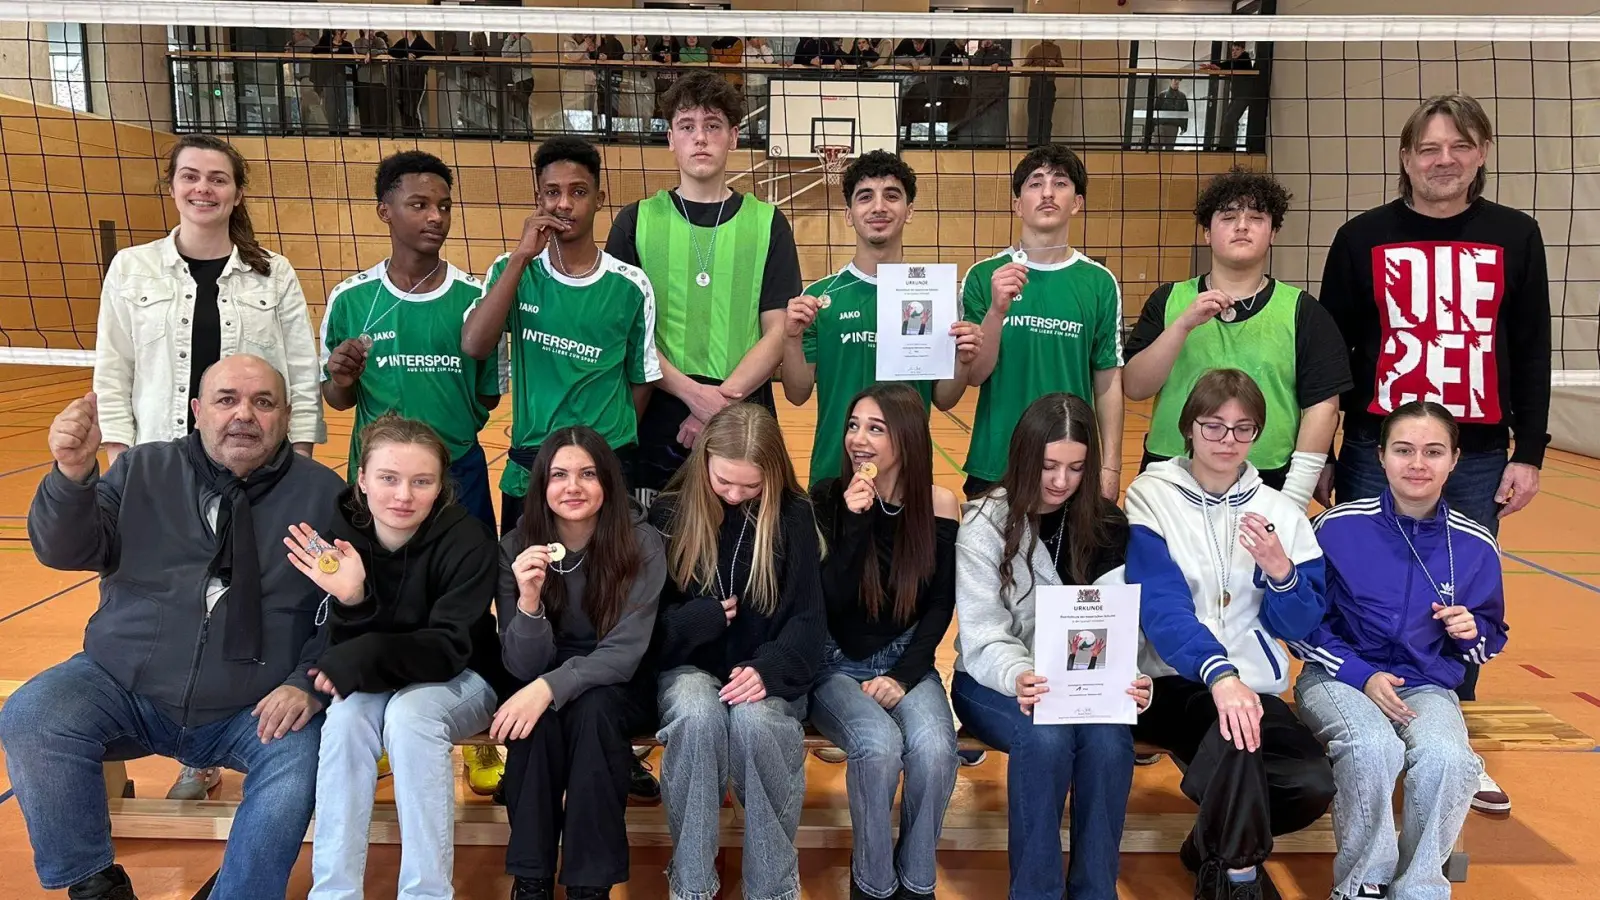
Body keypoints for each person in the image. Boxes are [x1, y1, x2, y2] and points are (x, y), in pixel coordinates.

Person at [0, 355, 343, 900]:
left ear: (286, 416)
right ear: (197, 411)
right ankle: (94, 884)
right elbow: (65, 550)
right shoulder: (142, 469)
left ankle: (238, 893)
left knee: (298, 761)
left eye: (263, 402)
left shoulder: (325, 496)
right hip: (125, 685)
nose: (244, 415)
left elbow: (349, 609)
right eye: (227, 400)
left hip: (253, 706)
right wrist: (71, 476)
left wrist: (306, 680)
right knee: (34, 715)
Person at [1320, 93, 1548, 814]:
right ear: (1405, 157)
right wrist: (1325, 450)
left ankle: (1451, 743)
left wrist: (1529, 450)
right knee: (1361, 589)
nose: (1444, 160)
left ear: (1482, 154)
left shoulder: (1516, 235)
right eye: (1429, 148)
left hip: (1476, 452)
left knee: (1458, 599)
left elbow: (1532, 348)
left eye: (1460, 146)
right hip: (1373, 445)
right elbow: (1331, 357)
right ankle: (1361, 724)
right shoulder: (1361, 238)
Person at [1124, 368, 1336, 900]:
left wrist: (1282, 573)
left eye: (1243, 429)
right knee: (1237, 742)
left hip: (1253, 688)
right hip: (1172, 682)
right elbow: (1161, 606)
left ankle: (1209, 847)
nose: (1228, 440)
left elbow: (1301, 624)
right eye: (1213, 426)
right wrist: (1218, 674)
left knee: (1310, 784)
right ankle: (1238, 879)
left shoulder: (1280, 512)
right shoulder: (1151, 496)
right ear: (1189, 427)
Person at [1290, 401, 1506, 900]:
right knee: (1373, 747)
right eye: (1404, 450)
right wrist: (1361, 674)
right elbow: (1301, 627)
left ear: (1454, 460)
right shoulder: (1336, 527)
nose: (1418, 464)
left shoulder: (1475, 543)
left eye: (1434, 452)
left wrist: (1471, 632)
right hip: (1337, 677)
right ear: (1381, 456)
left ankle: (1419, 888)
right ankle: (1362, 885)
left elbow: (1488, 642)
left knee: (1449, 757)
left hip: (1424, 685)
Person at [295, 414, 508, 899]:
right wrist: (353, 600)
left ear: (440, 486)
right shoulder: (338, 535)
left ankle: (426, 892)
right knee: (345, 719)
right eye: (388, 478)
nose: (403, 496)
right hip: (380, 673)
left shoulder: (469, 540)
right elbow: (339, 639)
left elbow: (448, 648)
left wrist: (364, 649)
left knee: (411, 718)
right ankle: (333, 892)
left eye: (421, 482)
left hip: (463, 674)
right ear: (362, 479)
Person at [951, 392, 1154, 900]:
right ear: (1025, 457)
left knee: (1110, 743)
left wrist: (1131, 678)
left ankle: (1094, 891)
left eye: (1076, 468)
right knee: (1044, 737)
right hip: (993, 681)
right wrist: (1019, 675)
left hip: (1079, 685)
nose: (1062, 481)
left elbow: (1116, 625)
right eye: (1048, 466)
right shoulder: (983, 525)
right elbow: (983, 633)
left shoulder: (1106, 525)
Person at [649, 402, 825, 900]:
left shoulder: (793, 515)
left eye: (751, 487)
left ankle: (771, 889)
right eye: (724, 481)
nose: (733, 495)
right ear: (703, 460)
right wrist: (694, 620)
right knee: (697, 717)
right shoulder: (669, 513)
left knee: (757, 723)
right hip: (689, 667)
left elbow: (808, 621)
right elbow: (646, 630)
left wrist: (770, 668)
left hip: (768, 671)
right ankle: (692, 886)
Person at [605, 71, 802, 506]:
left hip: (744, 415)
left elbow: (777, 330)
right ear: (670, 139)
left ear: (733, 137)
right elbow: (627, 333)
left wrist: (720, 404)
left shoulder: (768, 223)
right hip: (658, 413)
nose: (700, 138)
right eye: (687, 125)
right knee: (657, 536)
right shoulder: (635, 221)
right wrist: (695, 397)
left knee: (745, 537)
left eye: (713, 126)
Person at [493, 427, 667, 900]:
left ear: (607, 481)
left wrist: (548, 688)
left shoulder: (642, 543)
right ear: (541, 485)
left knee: (593, 713)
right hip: (543, 673)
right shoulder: (515, 548)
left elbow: (625, 652)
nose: (573, 487)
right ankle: (531, 880)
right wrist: (529, 602)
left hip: (619, 680)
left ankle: (589, 886)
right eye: (559, 475)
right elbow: (522, 665)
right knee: (534, 724)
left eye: (588, 474)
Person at [808, 383, 962, 900]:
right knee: (877, 747)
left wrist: (902, 675)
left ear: (907, 437)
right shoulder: (828, 497)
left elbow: (940, 604)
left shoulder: (939, 504)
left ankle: (916, 883)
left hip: (906, 660)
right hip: (836, 661)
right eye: (854, 426)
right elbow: (827, 602)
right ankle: (872, 885)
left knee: (937, 750)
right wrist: (855, 524)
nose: (859, 439)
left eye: (875, 428)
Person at [463, 135, 661, 535]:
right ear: (539, 199)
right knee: (528, 570)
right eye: (552, 192)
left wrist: (605, 447)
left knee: (610, 571)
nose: (564, 204)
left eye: (578, 192)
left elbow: (641, 379)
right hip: (533, 464)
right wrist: (522, 256)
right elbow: (474, 344)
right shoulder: (513, 270)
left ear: (599, 199)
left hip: (604, 464)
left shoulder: (630, 284)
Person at [1123, 168, 1351, 507]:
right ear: (1206, 233)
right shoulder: (1169, 301)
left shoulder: (1303, 312)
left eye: (1256, 218)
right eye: (1228, 217)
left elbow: (1323, 408)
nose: (1242, 226)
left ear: (1273, 232)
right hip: (1170, 474)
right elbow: (1135, 387)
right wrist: (1182, 326)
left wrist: (1294, 497)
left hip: (1266, 479)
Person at [321, 151, 503, 532]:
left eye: (444, 207)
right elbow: (338, 400)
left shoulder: (478, 300)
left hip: (458, 472)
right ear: (385, 211)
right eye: (419, 205)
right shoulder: (349, 299)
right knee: (372, 569)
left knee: (469, 567)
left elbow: (488, 396)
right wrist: (342, 379)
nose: (436, 217)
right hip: (381, 478)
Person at [779, 150, 982, 485]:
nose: (878, 207)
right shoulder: (821, 297)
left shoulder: (933, 296)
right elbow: (797, 393)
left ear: (909, 210)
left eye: (891, 196)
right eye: (865, 197)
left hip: (907, 479)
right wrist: (791, 338)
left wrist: (963, 359)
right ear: (849, 214)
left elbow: (944, 399)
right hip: (834, 473)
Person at [955, 145, 1124, 502]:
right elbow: (974, 375)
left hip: (1070, 469)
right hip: (997, 462)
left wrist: (1111, 467)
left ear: (1077, 202)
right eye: (1035, 184)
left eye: (1060, 183)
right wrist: (996, 311)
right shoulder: (984, 276)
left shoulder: (1100, 282)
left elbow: (1107, 379)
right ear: (1018, 204)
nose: (1047, 193)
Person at [1204, 42, 1265, 152]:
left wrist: (1218, 67)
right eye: (1232, 50)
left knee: (1229, 120)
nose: (1234, 52)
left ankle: (1226, 146)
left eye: (1237, 49)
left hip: (1243, 96)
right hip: (1237, 96)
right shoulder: (1236, 62)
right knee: (1229, 120)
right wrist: (1216, 66)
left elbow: (1232, 65)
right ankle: (1228, 145)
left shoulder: (1245, 60)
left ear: (1243, 50)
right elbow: (1229, 64)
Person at [391, 30, 433, 134]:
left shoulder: (421, 43)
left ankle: (418, 131)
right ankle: (407, 131)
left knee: (415, 105)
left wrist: (417, 56)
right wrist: (406, 54)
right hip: (405, 79)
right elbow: (391, 52)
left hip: (418, 78)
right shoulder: (402, 43)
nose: (401, 31)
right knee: (405, 104)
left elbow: (433, 54)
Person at [1023, 39, 1062, 147]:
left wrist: (1055, 64)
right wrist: (1037, 68)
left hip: (1049, 84)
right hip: (1036, 83)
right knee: (1034, 113)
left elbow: (1061, 66)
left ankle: (1045, 142)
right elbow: (1024, 68)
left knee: (1047, 114)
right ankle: (1033, 142)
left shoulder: (1056, 49)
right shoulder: (1035, 48)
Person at [353, 29, 391, 135]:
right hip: (362, 79)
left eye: (372, 30)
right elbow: (361, 50)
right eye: (369, 31)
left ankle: (380, 133)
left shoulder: (379, 41)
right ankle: (366, 133)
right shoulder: (358, 41)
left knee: (378, 108)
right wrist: (366, 39)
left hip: (377, 79)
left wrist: (371, 53)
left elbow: (385, 51)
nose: (371, 33)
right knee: (364, 108)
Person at [1148, 78, 1189, 149]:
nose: (1176, 82)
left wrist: (1184, 126)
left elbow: (1185, 112)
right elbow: (1155, 110)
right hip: (1161, 124)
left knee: (1169, 148)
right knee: (1157, 146)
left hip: (1173, 125)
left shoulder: (1182, 96)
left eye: (1178, 80)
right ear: (1171, 81)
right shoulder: (1162, 95)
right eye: (1175, 80)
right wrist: (1152, 126)